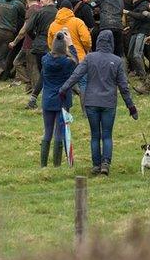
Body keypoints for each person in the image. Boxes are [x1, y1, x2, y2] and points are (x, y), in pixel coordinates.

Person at [58, 30, 137, 177]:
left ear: (98, 41)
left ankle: (96, 165)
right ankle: (105, 163)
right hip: (108, 103)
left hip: (91, 102)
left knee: (95, 135)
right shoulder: (117, 61)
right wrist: (130, 106)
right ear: (111, 43)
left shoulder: (89, 58)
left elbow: (76, 75)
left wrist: (63, 89)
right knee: (107, 135)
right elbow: (123, 86)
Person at [36, 31, 77, 167]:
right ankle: (57, 164)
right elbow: (76, 61)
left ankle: (43, 164)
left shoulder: (45, 60)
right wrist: (70, 45)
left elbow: (49, 55)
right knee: (59, 133)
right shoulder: (67, 63)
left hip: (47, 99)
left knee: (47, 132)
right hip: (62, 100)